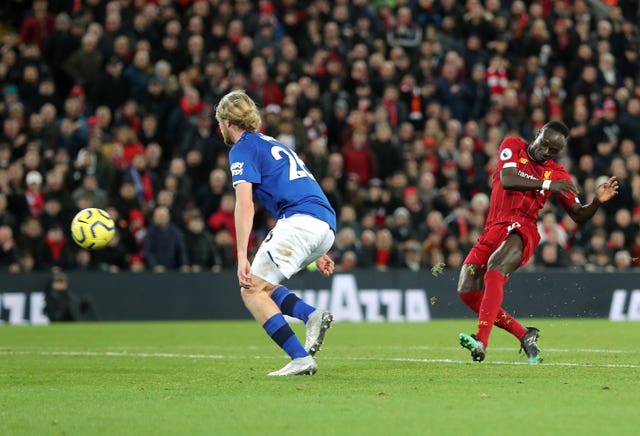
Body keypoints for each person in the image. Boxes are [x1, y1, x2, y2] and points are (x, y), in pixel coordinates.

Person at [457, 121, 619, 364]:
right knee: (467, 290)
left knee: (495, 268)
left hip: (523, 229)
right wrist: (547, 185)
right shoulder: (512, 146)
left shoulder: (558, 174)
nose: (546, 152)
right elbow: (508, 178)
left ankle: (481, 340)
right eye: (544, 144)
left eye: (554, 151)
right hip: (492, 229)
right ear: (537, 135)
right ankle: (525, 334)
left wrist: (596, 202)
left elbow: (577, 214)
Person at [215, 90, 336, 376]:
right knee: (264, 284)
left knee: (251, 289)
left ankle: (300, 358)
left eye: (219, 121)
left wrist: (241, 255)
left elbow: (245, 205)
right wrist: (318, 248)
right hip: (324, 223)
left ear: (227, 122)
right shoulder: (272, 143)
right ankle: (311, 315)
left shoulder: (242, 149)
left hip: (300, 222)